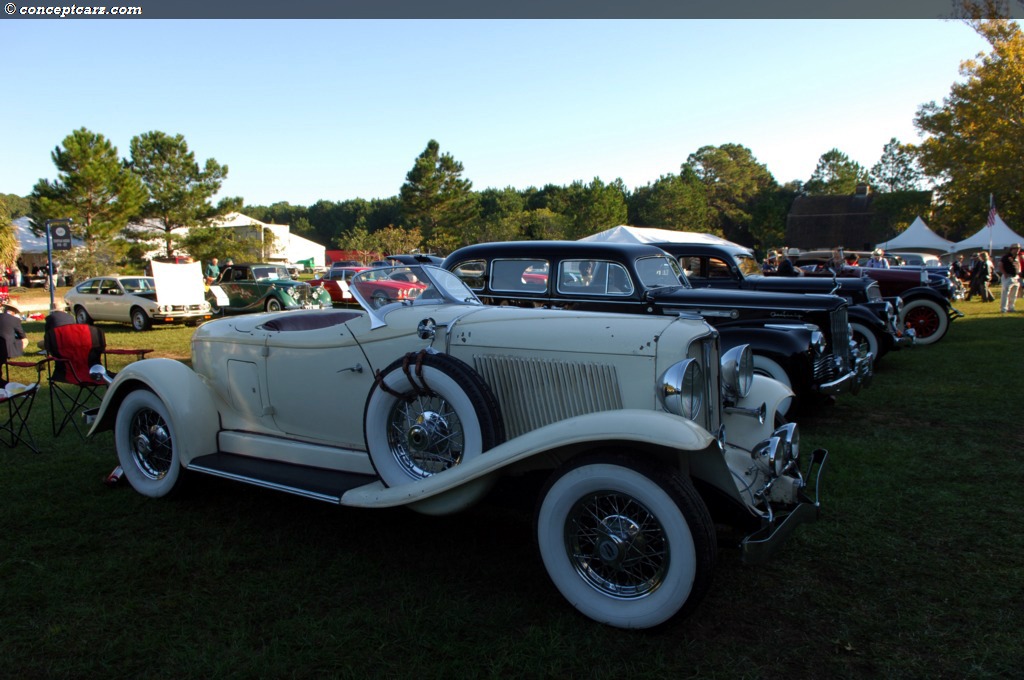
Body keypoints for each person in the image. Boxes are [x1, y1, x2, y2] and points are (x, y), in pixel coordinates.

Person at [997, 243, 1020, 313]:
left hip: (1015, 276)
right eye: (1015, 248)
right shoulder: (1006, 257)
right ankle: (1003, 308)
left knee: (1014, 294)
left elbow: (1018, 266)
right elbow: (1000, 265)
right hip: (1008, 276)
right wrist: (1004, 273)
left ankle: (1011, 307)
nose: (1017, 250)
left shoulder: (1016, 257)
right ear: (1011, 249)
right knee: (1005, 293)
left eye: (1018, 248)